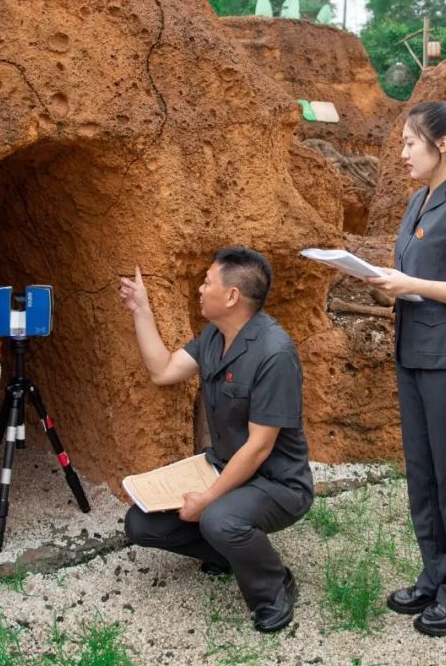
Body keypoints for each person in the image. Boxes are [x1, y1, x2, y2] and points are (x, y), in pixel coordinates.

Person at [117, 247, 313, 633]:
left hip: (277, 483)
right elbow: (163, 370)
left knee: (219, 519)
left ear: (232, 296)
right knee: (141, 524)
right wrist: (140, 309)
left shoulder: (274, 354)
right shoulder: (214, 336)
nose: (200, 289)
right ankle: (230, 556)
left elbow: (259, 447)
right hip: (225, 469)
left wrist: (207, 500)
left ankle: (274, 588)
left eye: (207, 282)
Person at [366, 99, 446, 637]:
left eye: (409, 142)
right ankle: (436, 575)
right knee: (422, 476)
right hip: (414, 355)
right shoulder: (418, 201)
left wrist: (413, 284)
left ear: (441, 144)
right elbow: (418, 276)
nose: (402, 153)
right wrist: (387, 282)